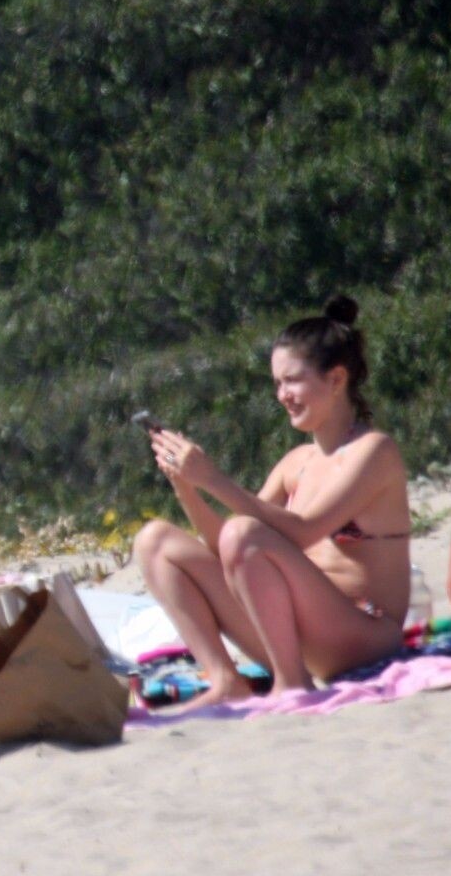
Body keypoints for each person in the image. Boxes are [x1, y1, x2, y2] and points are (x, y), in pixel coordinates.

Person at [132, 296, 410, 707]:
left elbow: (304, 531)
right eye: (277, 384)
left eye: (292, 381)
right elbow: (227, 550)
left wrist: (213, 478)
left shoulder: (373, 452)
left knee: (244, 532)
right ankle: (226, 679)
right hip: (297, 628)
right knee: (154, 541)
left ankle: (291, 682)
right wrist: (187, 487)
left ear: (336, 379)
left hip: (362, 633)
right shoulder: (296, 462)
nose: (282, 395)